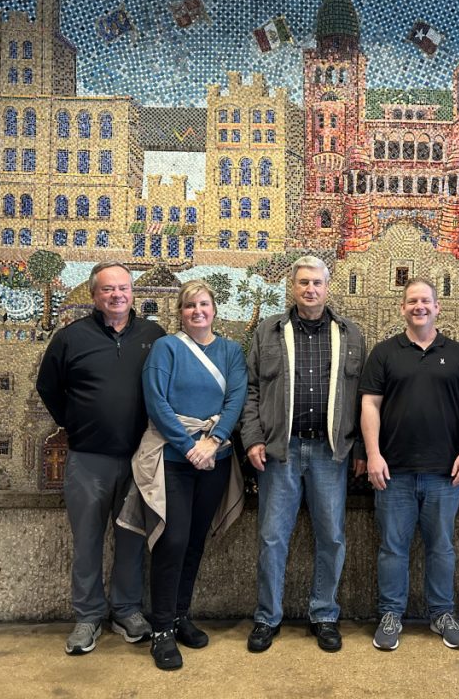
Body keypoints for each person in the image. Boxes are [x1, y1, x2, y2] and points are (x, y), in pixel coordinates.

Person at [36, 261, 165, 655]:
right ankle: (88, 616)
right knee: (88, 539)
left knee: (131, 539)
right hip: (88, 459)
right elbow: (48, 387)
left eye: (123, 288)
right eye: (108, 289)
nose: (117, 295)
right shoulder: (71, 338)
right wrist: (76, 423)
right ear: (94, 295)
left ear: (133, 293)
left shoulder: (153, 335)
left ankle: (126, 610)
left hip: (138, 460)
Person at [241, 256, 366, 654]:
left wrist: (360, 448)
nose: (310, 289)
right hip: (281, 450)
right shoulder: (269, 332)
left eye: (317, 282)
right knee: (272, 537)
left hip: (331, 453)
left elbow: (365, 398)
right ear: (292, 287)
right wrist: (252, 439)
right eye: (303, 282)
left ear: (328, 288)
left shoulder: (351, 335)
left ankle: (325, 614)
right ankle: (267, 617)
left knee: (331, 536)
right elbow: (251, 389)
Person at [360, 278, 459, 651]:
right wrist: (373, 455)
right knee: (392, 548)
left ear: (437, 307)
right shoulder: (383, 353)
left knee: (442, 547)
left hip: (445, 473)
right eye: (412, 301)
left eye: (425, 301)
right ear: (402, 308)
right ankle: (390, 614)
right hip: (393, 470)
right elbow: (369, 405)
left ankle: (442, 614)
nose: (419, 307)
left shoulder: (458, 354)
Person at [136, 280, 247, 670]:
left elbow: (236, 399)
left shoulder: (232, 351)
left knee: (195, 541)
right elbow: (156, 401)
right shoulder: (167, 349)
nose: (197, 311)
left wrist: (213, 441)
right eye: (188, 306)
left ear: (214, 309)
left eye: (203, 304)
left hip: (214, 458)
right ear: (180, 313)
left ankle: (181, 615)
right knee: (172, 540)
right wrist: (189, 447)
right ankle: (162, 627)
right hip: (173, 458)